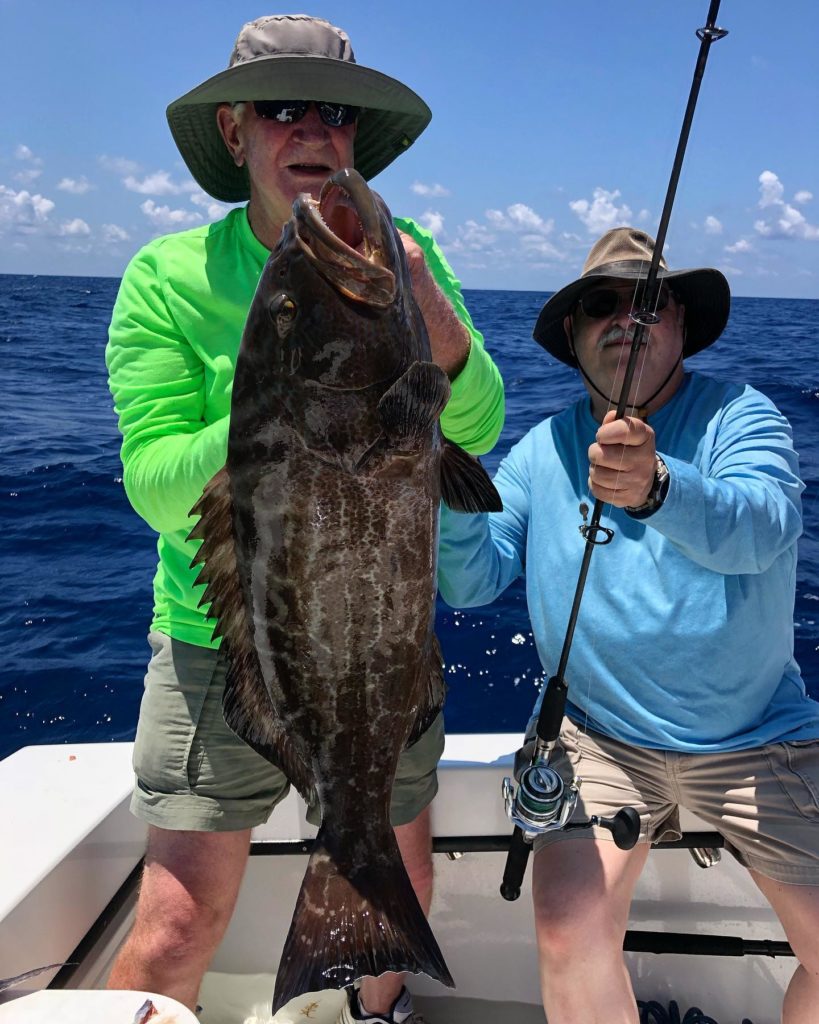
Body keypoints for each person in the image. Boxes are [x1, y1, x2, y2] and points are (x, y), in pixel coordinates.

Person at [105, 15, 504, 1024]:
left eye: (333, 111)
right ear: (235, 129)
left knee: (388, 875)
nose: (313, 127)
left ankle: (378, 1012)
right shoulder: (165, 277)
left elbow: (483, 422)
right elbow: (155, 481)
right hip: (218, 647)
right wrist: (275, 407)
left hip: (383, 646)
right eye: (282, 107)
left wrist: (424, 305)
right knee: (174, 925)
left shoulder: (406, 259)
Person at [438, 227, 819, 1024]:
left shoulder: (738, 415)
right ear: (573, 337)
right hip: (598, 739)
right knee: (566, 938)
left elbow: (765, 528)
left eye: (647, 301)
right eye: (598, 306)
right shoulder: (541, 448)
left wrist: (655, 487)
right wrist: (438, 482)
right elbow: (473, 580)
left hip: (757, 737)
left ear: (680, 324)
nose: (623, 318)